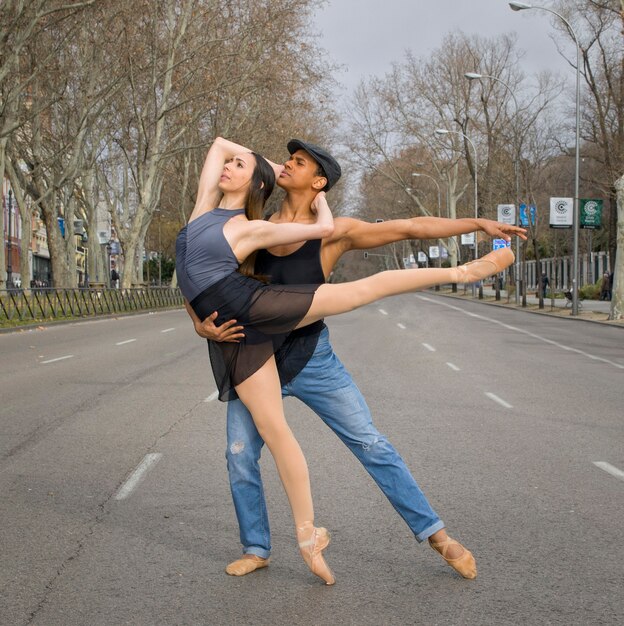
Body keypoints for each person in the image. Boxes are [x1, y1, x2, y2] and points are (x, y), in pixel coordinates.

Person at [177, 137, 516, 585]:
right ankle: (256, 547)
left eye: (297, 162)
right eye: (286, 159)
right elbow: (199, 273)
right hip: (252, 351)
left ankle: (436, 535)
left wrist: (474, 224)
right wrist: (199, 324)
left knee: (370, 443)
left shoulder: (335, 231)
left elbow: (411, 226)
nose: (286, 165)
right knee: (239, 454)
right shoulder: (253, 221)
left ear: (318, 181)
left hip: (311, 356)